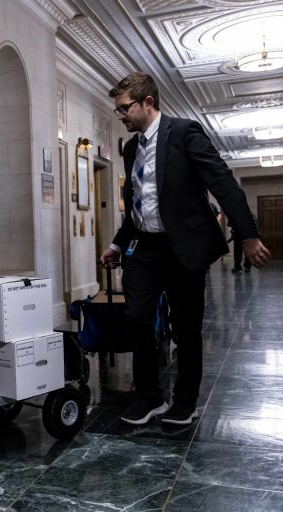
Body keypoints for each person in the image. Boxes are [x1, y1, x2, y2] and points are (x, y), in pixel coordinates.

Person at [99, 72, 271, 426]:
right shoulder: (131, 148)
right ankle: (148, 397)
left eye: (124, 108)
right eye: (117, 110)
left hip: (183, 248)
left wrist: (248, 235)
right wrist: (118, 243)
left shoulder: (184, 132)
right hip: (143, 248)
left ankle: (185, 401)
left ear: (148, 102)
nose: (120, 116)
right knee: (138, 319)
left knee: (186, 327)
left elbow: (221, 181)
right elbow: (138, 205)